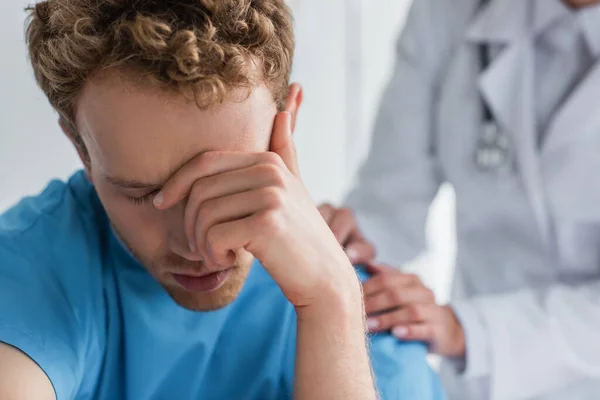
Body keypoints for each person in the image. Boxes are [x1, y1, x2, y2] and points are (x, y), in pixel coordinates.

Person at [0, 1, 446, 399]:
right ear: (82, 149)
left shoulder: (367, 320)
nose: (199, 245)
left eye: (229, 184)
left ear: (286, 123)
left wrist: (332, 302)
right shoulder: (30, 271)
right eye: (144, 194)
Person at [321, 0, 600, 399]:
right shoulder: (449, 10)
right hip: (470, 378)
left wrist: (467, 330)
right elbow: (389, 202)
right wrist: (345, 241)